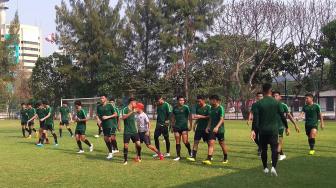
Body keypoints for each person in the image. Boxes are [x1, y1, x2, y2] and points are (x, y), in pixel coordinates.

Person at [251, 83, 289, 176]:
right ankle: (273, 168)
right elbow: (283, 117)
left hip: (262, 131)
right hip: (273, 130)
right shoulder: (277, 103)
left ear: (263, 91)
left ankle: (265, 168)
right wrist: (287, 127)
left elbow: (255, 119)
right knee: (274, 149)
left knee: (264, 150)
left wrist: (253, 130)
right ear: (270, 91)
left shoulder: (258, 104)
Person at [272, 91, 300, 160]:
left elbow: (289, 116)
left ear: (280, 97)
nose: (275, 97)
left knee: (278, 142)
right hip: (271, 127)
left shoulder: (283, 105)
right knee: (274, 142)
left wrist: (295, 125)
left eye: (276, 96)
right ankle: (282, 154)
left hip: (280, 127)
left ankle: (276, 157)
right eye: (273, 96)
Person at [202, 95, 228, 165]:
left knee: (222, 144)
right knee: (211, 143)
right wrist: (208, 127)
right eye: (210, 100)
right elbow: (210, 118)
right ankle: (209, 159)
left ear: (217, 100)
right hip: (212, 130)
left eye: (212, 100)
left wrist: (217, 127)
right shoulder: (211, 108)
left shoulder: (220, 108)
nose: (211, 101)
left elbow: (222, 119)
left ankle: (225, 157)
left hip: (220, 130)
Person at [187, 95, 211, 162]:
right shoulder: (197, 106)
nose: (198, 103)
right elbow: (194, 117)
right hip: (199, 128)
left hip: (206, 128)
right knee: (196, 142)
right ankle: (193, 156)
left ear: (203, 100)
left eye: (199, 101)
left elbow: (210, 117)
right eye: (197, 101)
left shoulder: (208, 107)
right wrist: (195, 124)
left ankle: (209, 156)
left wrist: (200, 116)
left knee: (209, 143)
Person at [171, 96, 192, 161]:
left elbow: (190, 116)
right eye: (180, 100)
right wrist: (172, 126)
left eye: (183, 100)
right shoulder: (174, 108)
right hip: (176, 127)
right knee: (177, 142)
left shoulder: (186, 107)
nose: (182, 101)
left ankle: (190, 151)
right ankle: (178, 156)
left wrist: (190, 125)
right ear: (178, 101)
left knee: (185, 141)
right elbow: (173, 117)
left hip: (184, 127)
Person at [121, 97, 142, 165]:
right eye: (135, 102)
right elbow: (123, 117)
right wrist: (132, 112)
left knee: (138, 145)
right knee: (126, 145)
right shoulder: (125, 109)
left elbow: (141, 111)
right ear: (131, 102)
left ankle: (139, 156)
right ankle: (125, 160)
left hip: (134, 130)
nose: (135, 104)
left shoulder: (134, 109)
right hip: (127, 131)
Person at [98, 94, 118, 160]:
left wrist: (107, 117)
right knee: (106, 139)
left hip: (111, 124)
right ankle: (111, 152)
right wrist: (99, 121)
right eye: (100, 98)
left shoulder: (110, 105)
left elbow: (115, 114)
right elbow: (99, 115)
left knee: (110, 138)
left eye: (103, 98)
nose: (101, 99)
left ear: (106, 99)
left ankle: (113, 150)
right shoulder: (99, 107)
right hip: (104, 125)